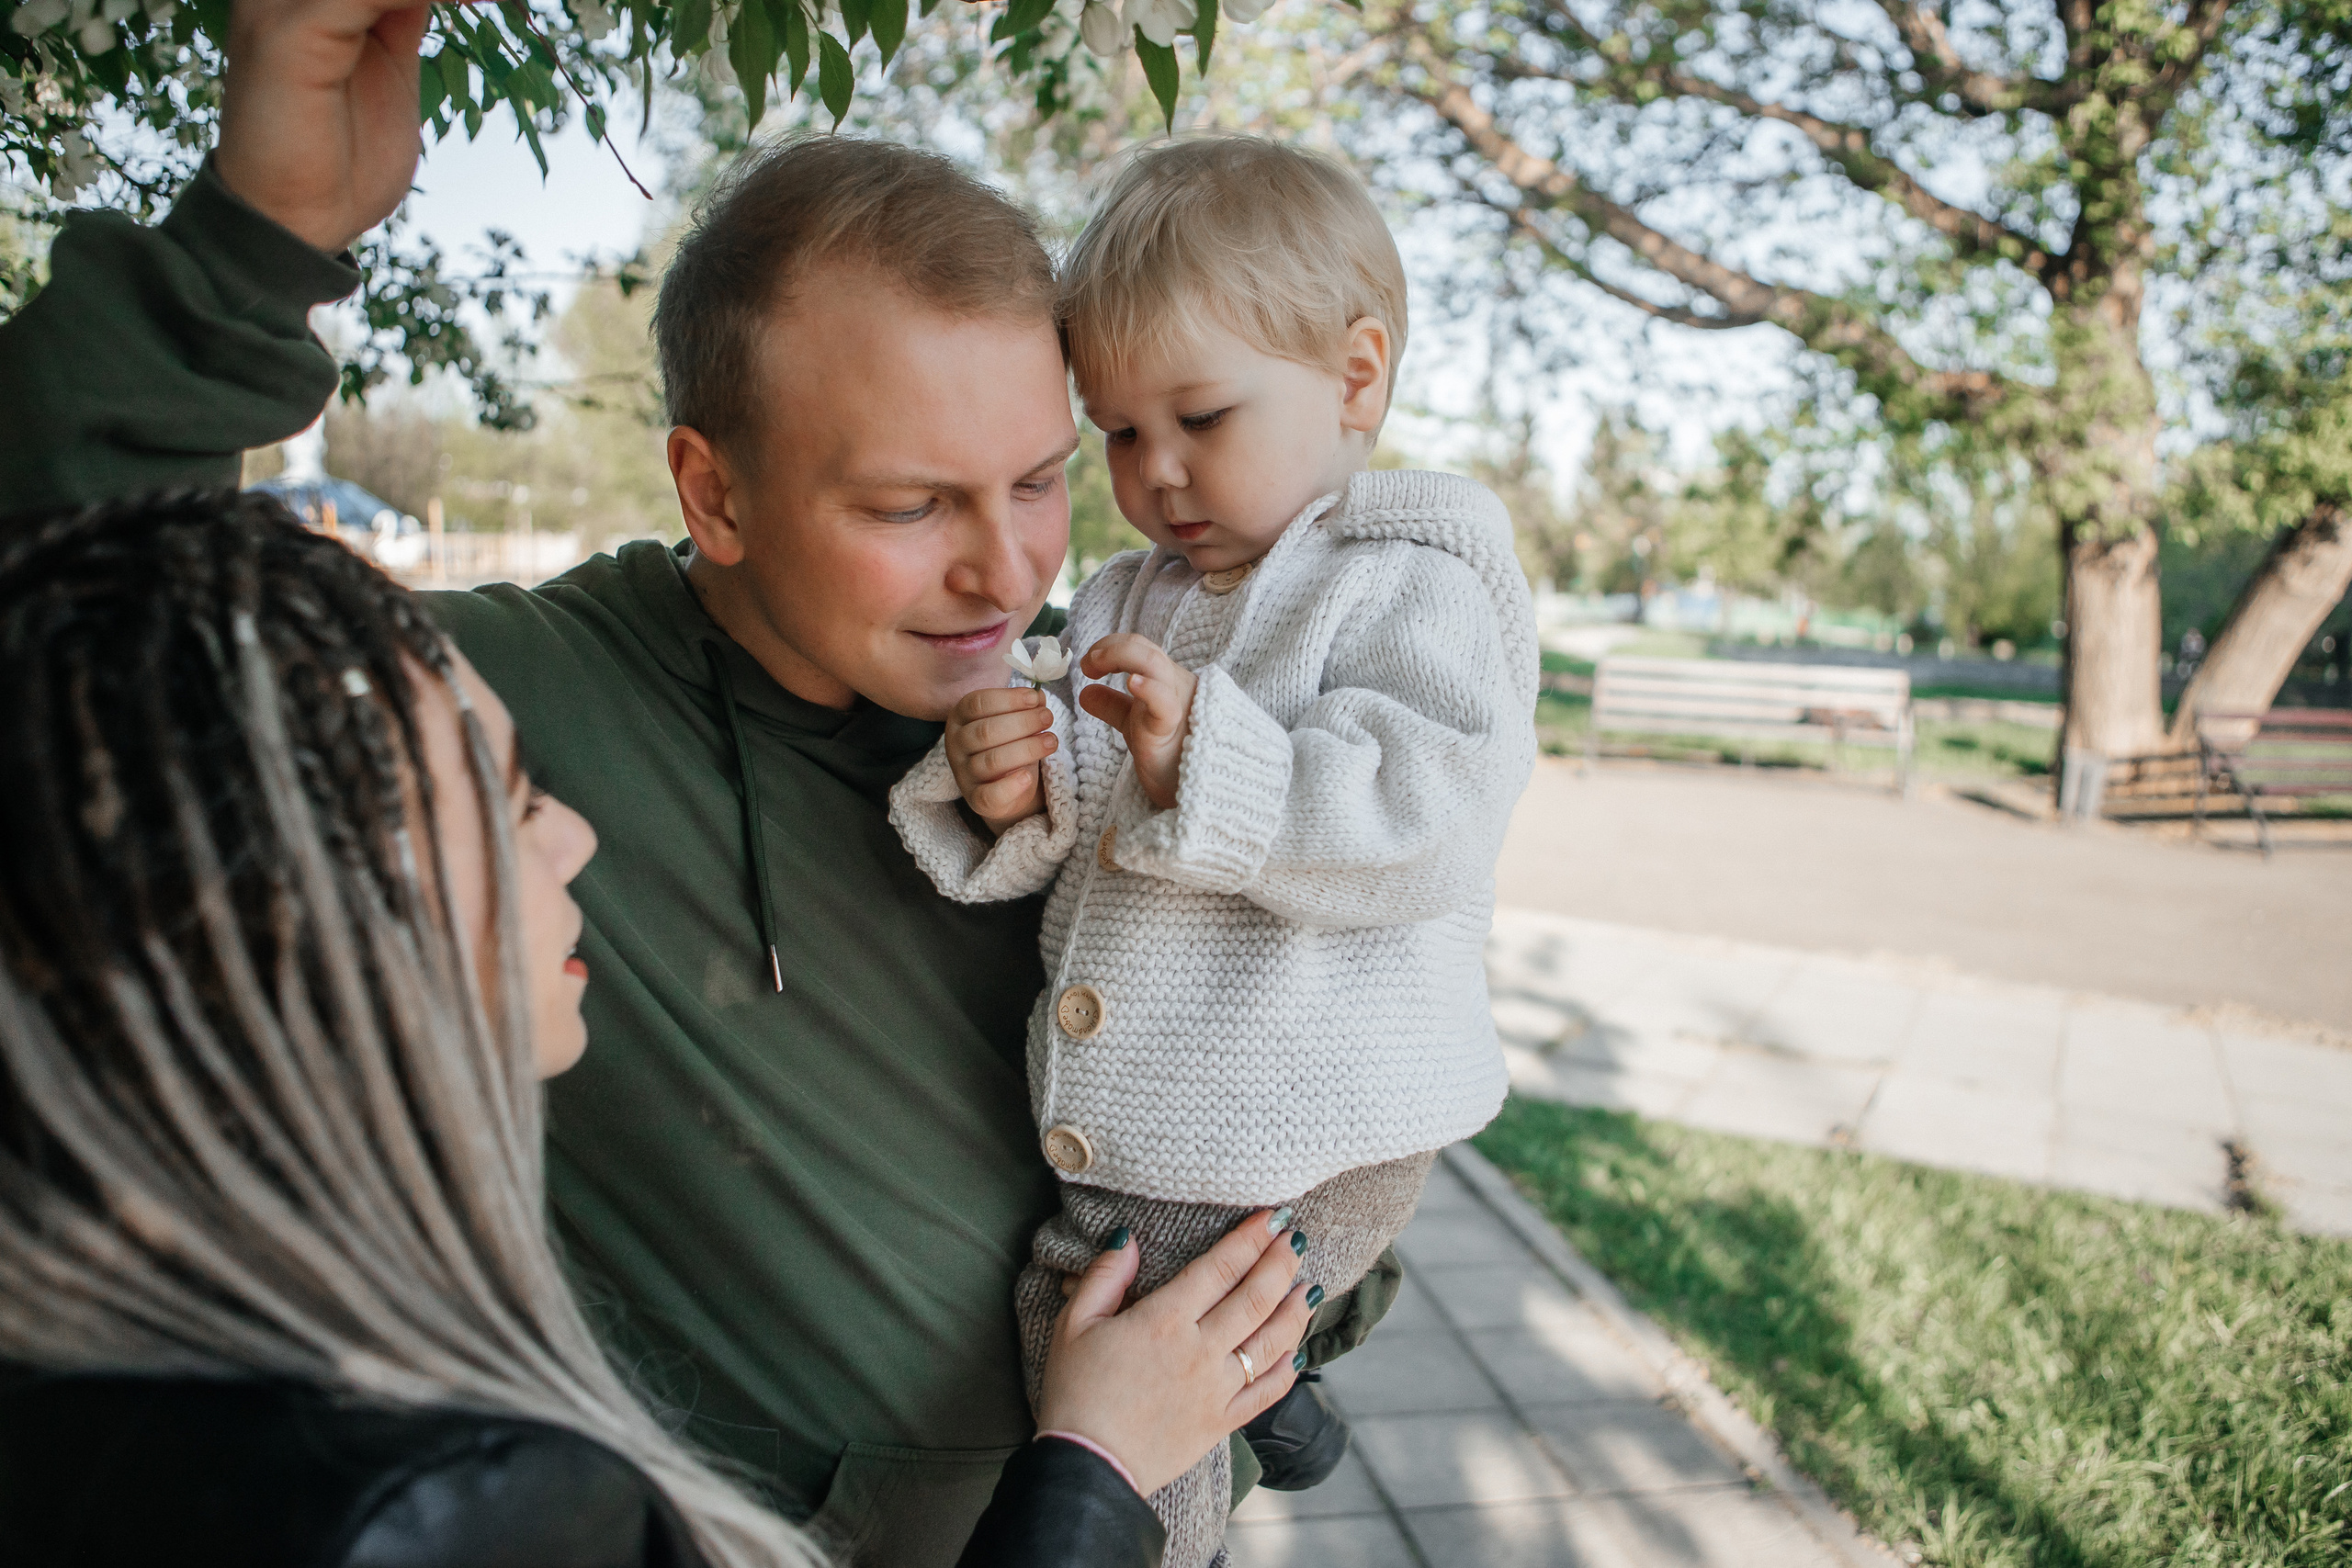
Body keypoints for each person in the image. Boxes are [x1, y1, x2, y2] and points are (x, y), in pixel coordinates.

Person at [0, 0, 1402, 1557]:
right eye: (910, 504)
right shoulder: (496, 720)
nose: (1005, 573)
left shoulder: (1103, 712)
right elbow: (73, 634)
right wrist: (258, 243)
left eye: (1034, 481)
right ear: (712, 491)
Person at [0, 488, 1316, 1566]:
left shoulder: (152, 1362)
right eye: (511, 806)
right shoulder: (444, 1506)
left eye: (1038, 478)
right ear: (307, 908)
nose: (570, 834)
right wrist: (1095, 1473)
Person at [889, 138, 1537, 1566]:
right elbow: (1090, 799)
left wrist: (1212, 763)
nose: (1158, 472)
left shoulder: (1412, 579)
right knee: (1147, 1310)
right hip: (1219, 1113)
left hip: (1302, 1113)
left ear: (1356, 377)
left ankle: (1164, 1530)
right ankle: (1282, 1403)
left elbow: (1426, 813)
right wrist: (1013, 787)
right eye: (1118, 433)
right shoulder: (1135, 588)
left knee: (1099, 1323)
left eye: (1200, 415)